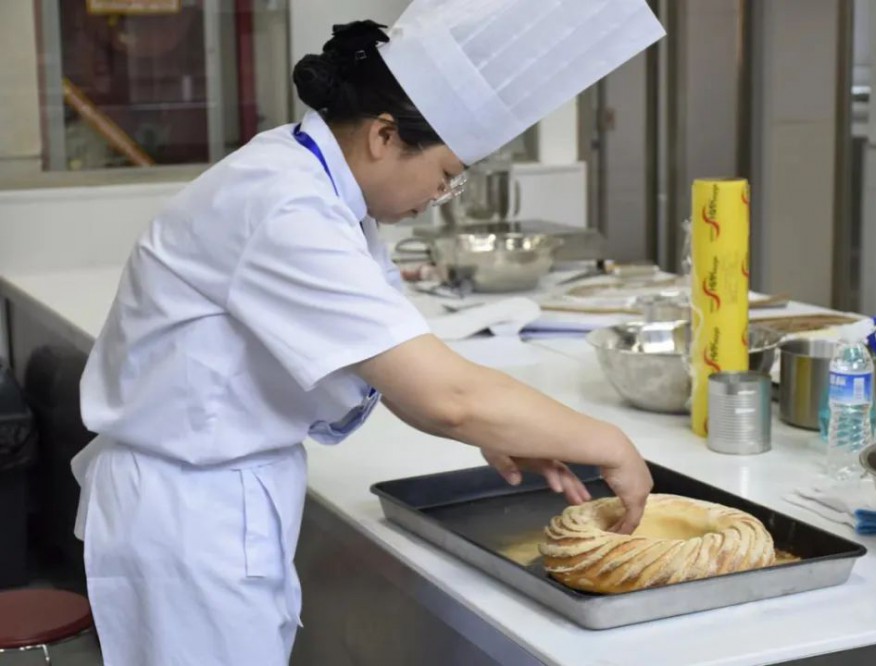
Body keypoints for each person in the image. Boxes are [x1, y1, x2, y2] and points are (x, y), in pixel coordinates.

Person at [71, 2, 665, 664]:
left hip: (216, 498)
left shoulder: (316, 187)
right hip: (189, 515)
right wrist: (607, 443)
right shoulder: (283, 205)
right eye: (445, 176)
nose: (439, 197)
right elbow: (447, 396)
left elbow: (393, 366)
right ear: (384, 135)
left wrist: (515, 431)